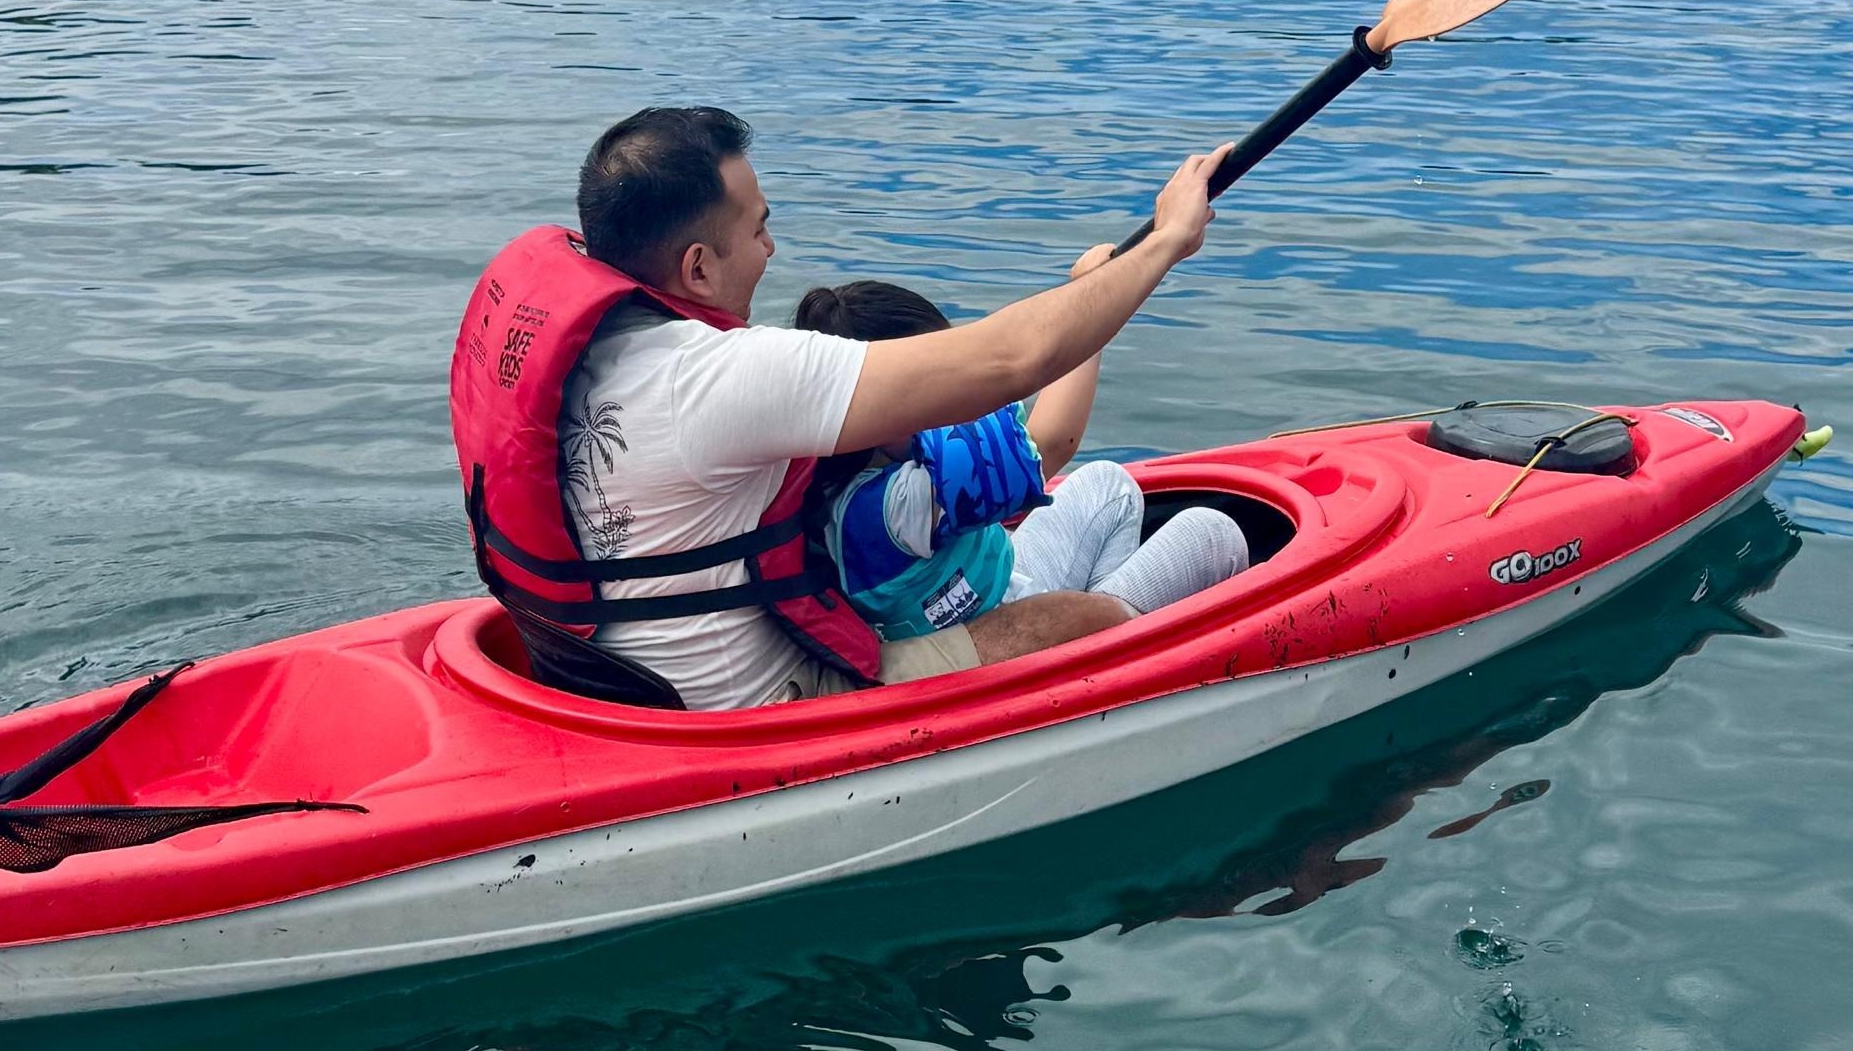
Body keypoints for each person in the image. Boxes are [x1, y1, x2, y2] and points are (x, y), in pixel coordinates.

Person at [447, 105, 1234, 710]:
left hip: (605, 674)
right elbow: (1012, 360)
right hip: (762, 709)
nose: (771, 250)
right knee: (1081, 619)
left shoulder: (580, 353)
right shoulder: (717, 378)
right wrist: (1162, 242)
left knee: (1093, 508)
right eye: (759, 230)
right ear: (696, 266)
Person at [789, 275, 1254, 682]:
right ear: (883, 405)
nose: (956, 391)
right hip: (1004, 638)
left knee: (1107, 484)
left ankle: (1101, 631)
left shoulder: (836, 476)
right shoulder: (892, 510)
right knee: (1212, 533)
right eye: (934, 380)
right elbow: (1051, 444)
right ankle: (1101, 643)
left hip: (1006, 589)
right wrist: (1092, 297)